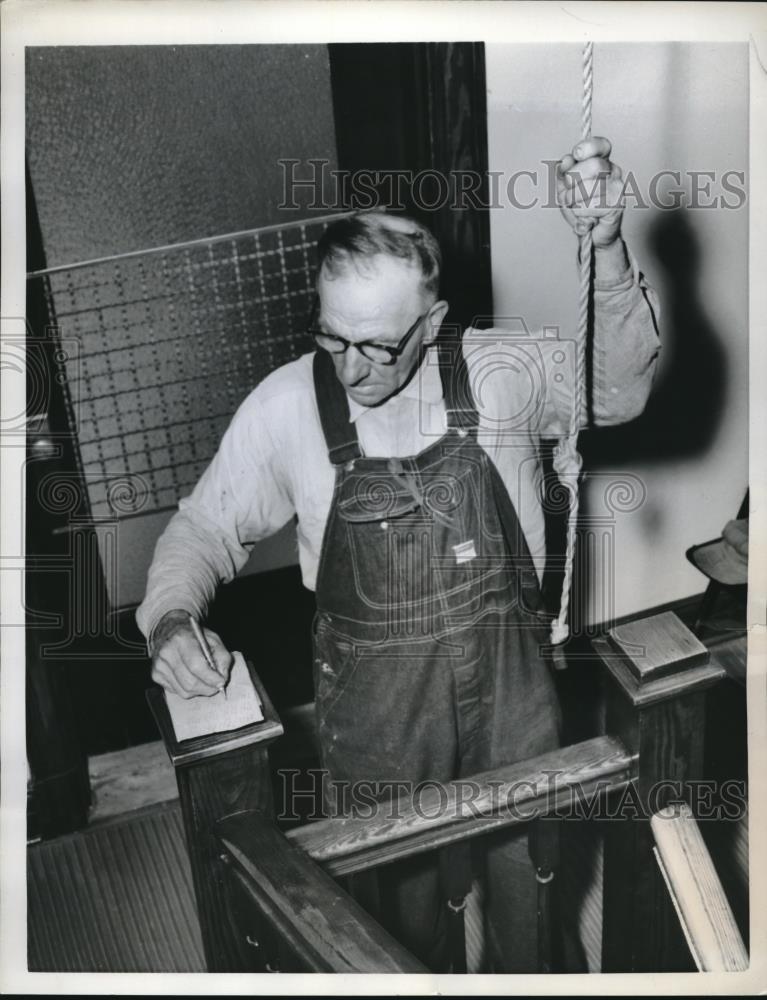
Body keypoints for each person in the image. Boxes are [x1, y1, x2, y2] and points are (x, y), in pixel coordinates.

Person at [137, 137, 661, 971]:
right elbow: (203, 528)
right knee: (389, 905)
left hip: (511, 684)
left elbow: (619, 391)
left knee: (532, 872)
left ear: (434, 320)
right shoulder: (287, 405)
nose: (352, 368)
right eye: (332, 338)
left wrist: (603, 248)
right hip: (377, 710)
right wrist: (168, 620)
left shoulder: (500, 374)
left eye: (378, 345)